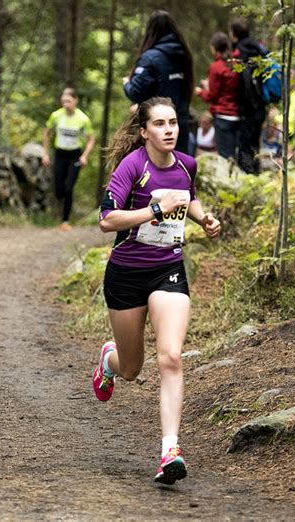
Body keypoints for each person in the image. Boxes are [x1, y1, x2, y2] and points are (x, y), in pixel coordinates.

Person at [93, 97, 221, 484]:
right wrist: (156, 211)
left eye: (173, 123)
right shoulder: (132, 167)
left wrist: (204, 218)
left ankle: (170, 450)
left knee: (171, 357)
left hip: (168, 270)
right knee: (132, 369)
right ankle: (108, 361)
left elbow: (189, 196)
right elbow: (107, 220)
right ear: (144, 131)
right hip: (126, 275)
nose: (169, 130)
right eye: (160, 124)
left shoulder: (187, 164)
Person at [122, 10, 194, 154]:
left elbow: (136, 91)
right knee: (178, 169)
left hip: (156, 127)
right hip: (179, 124)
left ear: (150, 31)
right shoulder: (184, 54)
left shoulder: (150, 58)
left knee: (153, 172)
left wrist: (126, 84)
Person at [42, 88, 95, 230]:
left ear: (75, 101)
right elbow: (46, 133)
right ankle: (59, 214)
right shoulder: (56, 116)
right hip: (60, 155)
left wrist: (84, 156)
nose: (66, 104)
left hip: (75, 156)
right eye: (63, 101)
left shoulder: (83, 119)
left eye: (69, 101)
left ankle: (65, 220)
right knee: (59, 189)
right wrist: (45, 153)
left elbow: (91, 139)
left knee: (69, 187)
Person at [229, 17, 268, 174]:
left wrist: (245, 105)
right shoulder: (257, 48)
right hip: (260, 104)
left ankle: (248, 176)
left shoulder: (241, 51)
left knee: (245, 143)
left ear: (234, 34)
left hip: (248, 107)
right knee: (254, 143)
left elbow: (244, 80)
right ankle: (256, 172)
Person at [195, 32, 239, 160]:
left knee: (225, 155)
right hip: (237, 115)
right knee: (234, 153)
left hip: (223, 116)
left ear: (214, 47)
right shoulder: (235, 64)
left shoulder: (216, 67)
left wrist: (200, 91)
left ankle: (228, 179)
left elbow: (212, 96)